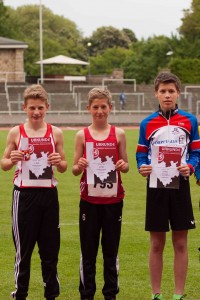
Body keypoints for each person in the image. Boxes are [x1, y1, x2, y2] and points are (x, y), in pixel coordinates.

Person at [136, 72, 200, 300]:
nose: (167, 95)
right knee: (156, 243)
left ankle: (178, 295)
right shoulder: (147, 123)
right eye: (162, 91)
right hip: (156, 187)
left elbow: (196, 153)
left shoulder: (190, 121)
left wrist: (190, 167)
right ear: (156, 93)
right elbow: (141, 156)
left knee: (181, 242)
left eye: (171, 91)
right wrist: (142, 167)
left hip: (180, 187)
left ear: (178, 93)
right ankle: (156, 294)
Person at [0, 84, 67, 300]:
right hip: (24, 195)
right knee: (24, 250)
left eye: (40, 107)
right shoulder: (16, 132)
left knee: (50, 250)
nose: (36, 112)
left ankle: (52, 294)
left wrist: (59, 161)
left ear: (47, 107)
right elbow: (4, 163)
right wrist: (12, 159)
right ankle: (20, 293)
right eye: (32, 108)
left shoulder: (55, 132)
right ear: (24, 108)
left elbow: (64, 166)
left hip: (48, 195)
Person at [72, 87, 129, 300]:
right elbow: (74, 169)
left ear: (110, 108)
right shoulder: (82, 135)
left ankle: (110, 294)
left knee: (110, 251)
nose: (99, 111)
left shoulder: (119, 134)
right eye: (95, 107)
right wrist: (80, 164)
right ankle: (87, 294)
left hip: (113, 200)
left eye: (103, 106)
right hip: (89, 200)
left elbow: (125, 166)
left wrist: (123, 165)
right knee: (88, 251)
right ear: (88, 108)